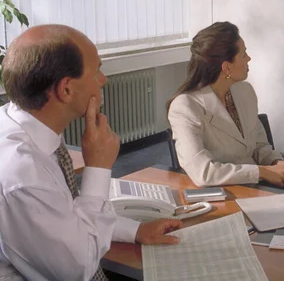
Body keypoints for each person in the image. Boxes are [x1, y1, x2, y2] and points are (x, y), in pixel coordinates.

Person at [0, 25, 182, 281]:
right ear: (66, 89)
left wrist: (134, 230)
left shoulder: (20, 123)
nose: (103, 79)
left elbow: (65, 216)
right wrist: (98, 167)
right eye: (97, 70)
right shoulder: (25, 172)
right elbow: (79, 267)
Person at [167, 21, 284, 188]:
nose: (249, 58)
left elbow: (259, 145)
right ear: (227, 67)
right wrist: (262, 172)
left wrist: (277, 164)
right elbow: (203, 173)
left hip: (259, 188)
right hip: (225, 193)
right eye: (244, 54)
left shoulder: (245, 92)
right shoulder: (185, 107)